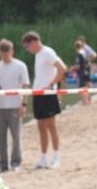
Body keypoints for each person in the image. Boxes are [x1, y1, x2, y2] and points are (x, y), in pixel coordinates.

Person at [22, 31, 66, 169]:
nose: (27, 49)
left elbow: (62, 68)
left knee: (51, 126)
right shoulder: (38, 55)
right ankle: (43, 158)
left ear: (34, 42)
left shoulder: (47, 52)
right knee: (41, 127)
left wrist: (51, 84)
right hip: (38, 94)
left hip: (47, 94)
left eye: (27, 46)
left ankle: (56, 157)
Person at [0, 39, 29, 172]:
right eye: (2, 54)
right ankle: (3, 163)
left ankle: (16, 162)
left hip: (15, 105)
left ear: (12, 51)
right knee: (0, 137)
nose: (5, 56)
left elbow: (25, 86)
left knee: (16, 136)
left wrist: (24, 104)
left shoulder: (20, 65)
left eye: (7, 53)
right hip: (0, 107)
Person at [74, 39, 92, 106]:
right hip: (86, 71)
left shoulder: (79, 54)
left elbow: (78, 66)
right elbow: (88, 63)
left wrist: (72, 69)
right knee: (87, 86)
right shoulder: (84, 53)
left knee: (82, 87)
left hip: (81, 73)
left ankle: (85, 102)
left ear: (76, 47)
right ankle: (89, 100)